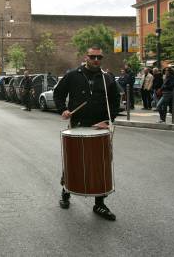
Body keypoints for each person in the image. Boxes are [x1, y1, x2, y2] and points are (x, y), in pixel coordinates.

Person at [53, 47, 120, 221]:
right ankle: (66, 192)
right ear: (86, 57)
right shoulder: (73, 75)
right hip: (78, 125)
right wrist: (63, 109)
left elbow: (115, 101)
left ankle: (99, 203)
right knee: (73, 159)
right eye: (93, 57)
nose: (96, 60)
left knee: (100, 164)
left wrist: (108, 119)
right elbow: (58, 93)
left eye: (99, 57)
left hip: (100, 127)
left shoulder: (107, 78)